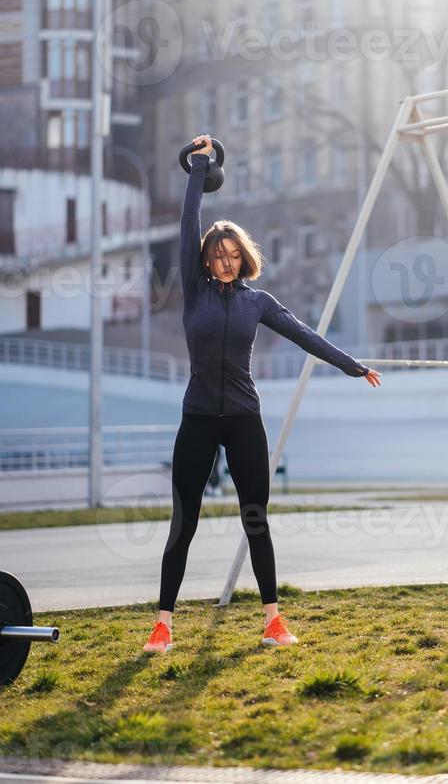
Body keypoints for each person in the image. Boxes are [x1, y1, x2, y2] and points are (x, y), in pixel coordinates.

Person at [144, 134, 381, 654]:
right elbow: (189, 223)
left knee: (256, 519)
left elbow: (305, 335)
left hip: (245, 418)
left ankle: (273, 620)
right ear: (206, 261)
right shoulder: (194, 289)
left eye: (233, 255)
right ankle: (162, 625)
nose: (225, 261)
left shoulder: (258, 302)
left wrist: (352, 366)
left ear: (243, 258)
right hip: (199, 416)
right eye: (217, 255)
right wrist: (197, 169)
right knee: (184, 521)